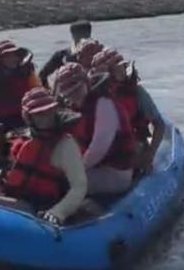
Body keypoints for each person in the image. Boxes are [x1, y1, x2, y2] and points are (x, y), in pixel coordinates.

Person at [0, 87, 87, 225]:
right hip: (14, 198)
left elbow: (79, 186)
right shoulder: (25, 139)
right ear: (29, 117)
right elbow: (7, 173)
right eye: (40, 114)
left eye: (49, 111)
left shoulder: (65, 145)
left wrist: (57, 212)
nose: (46, 117)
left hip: (38, 207)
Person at [52, 61, 135, 195]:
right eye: (69, 93)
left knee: (58, 185)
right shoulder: (73, 109)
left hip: (115, 172)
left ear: (87, 83)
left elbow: (99, 148)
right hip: (92, 168)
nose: (74, 95)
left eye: (77, 89)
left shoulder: (104, 104)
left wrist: (75, 171)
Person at [90, 49, 166, 175]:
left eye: (123, 67)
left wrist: (150, 154)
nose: (124, 71)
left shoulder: (137, 93)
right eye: (118, 68)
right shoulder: (92, 97)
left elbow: (159, 124)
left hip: (133, 147)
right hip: (103, 151)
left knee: (134, 149)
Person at [0, 40, 41, 130]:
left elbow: (38, 91)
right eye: (7, 56)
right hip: (2, 120)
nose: (12, 59)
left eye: (14, 55)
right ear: (0, 60)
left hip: (26, 116)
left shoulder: (27, 72)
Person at [39, 19, 92, 88]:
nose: (82, 39)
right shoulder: (62, 56)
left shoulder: (99, 54)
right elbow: (42, 75)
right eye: (79, 35)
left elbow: (42, 75)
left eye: (84, 35)